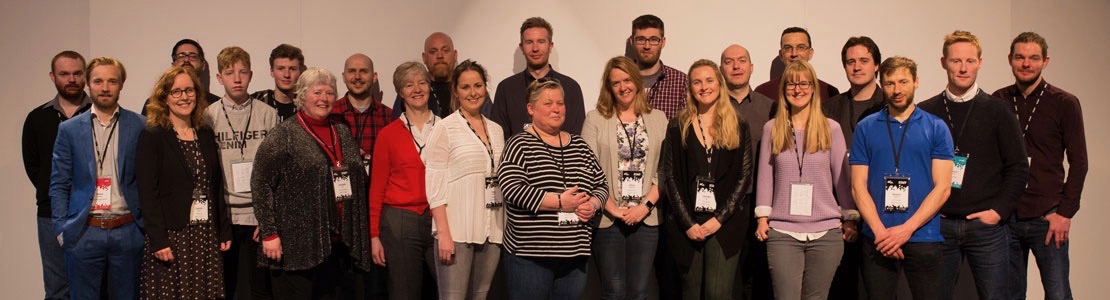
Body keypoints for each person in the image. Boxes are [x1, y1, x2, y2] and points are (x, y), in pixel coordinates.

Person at [918, 30, 1028, 300]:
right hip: (939, 225)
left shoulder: (999, 111)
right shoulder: (927, 112)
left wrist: (998, 211)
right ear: (943, 62)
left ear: (980, 62)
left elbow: (1018, 167)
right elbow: (918, 168)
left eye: (970, 61)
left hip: (987, 227)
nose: (963, 68)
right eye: (956, 61)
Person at [252, 67, 372, 300]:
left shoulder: (342, 131)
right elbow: (260, 182)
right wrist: (269, 233)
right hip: (298, 245)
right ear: (302, 96)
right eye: (317, 92)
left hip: (337, 244)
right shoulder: (285, 134)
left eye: (329, 93)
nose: (324, 99)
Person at [993, 32, 1087, 300]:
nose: (1026, 64)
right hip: (1006, 218)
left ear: (1045, 61)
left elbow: (1079, 162)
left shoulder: (1064, 102)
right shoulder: (998, 100)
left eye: (1033, 58)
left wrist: (1065, 213)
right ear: (1010, 60)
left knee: (1058, 294)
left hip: (1047, 216)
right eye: (1020, 57)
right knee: (1008, 295)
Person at [850, 56, 953, 299]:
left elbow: (943, 188)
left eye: (903, 82)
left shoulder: (936, 127)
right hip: (878, 237)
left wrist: (906, 230)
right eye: (890, 83)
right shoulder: (865, 127)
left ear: (916, 82)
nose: (897, 90)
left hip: (923, 236)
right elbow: (857, 187)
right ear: (881, 85)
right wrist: (880, 231)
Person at [753, 60, 858, 300]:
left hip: (826, 232)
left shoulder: (831, 128)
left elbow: (842, 178)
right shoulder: (773, 128)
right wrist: (762, 218)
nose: (797, 89)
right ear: (783, 90)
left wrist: (850, 218)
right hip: (783, 231)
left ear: (813, 88)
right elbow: (765, 177)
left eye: (803, 83)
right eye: (791, 84)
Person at [497, 79, 607, 300]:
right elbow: (512, 188)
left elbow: (601, 184)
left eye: (560, 103)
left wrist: (593, 205)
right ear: (531, 109)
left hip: (575, 256)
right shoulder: (518, 144)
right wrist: (558, 202)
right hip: (530, 257)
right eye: (548, 103)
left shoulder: (580, 145)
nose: (556, 108)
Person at [50, 56, 147, 300]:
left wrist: (143, 229)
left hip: (127, 230)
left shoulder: (140, 125)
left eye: (112, 81)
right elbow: (59, 183)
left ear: (121, 84)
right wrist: (62, 229)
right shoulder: (69, 129)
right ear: (87, 84)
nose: (105, 88)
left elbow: (148, 180)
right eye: (98, 81)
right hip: (85, 231)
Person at [659, 59, 753, 300]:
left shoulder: (738, 124)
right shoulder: (677, 125)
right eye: (697, 82)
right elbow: (669, 175)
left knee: (717, 293)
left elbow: (744, 176)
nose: (704, 87)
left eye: (709, 80)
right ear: (689, 88)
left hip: (725, 223)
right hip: (686, 224)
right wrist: (688, 222)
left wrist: (719, 219)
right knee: (690, 293)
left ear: (720, 84)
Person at [137, 66, 233, 299]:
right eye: (176, 92)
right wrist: (159, 240)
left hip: (205, 233)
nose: (184, 97)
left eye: (189, 90)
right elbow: (147, 193)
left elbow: (216, 185)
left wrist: (223, 230)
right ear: (164, 97)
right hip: (172, 235)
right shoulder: (153, 136)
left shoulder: (205, 133)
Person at [581, 56, 667, 300]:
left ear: (637, 81)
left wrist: (645, 206)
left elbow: (664, 169)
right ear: (608, 87)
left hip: (646, 218)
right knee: (614, 290)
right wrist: (613, 208)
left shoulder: (658, 119)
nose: (623, 87)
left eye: (627, 80)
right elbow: (588, 168)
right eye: (615, 82)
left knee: (639, 291)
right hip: (608, 218)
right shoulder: (595, 119)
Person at [203, 46, 280, 300]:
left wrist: (268, 216)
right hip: (225, 215)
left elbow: (277, 169)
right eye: (229, 73)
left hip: (258, 215)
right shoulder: (208, 117)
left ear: (251, 75)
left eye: (243, 72)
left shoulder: (267, 114)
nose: (237, 79)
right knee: (225, 285)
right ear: (218, 78)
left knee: (259, 287)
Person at [425, 60, 505, 300]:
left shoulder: (497, 129)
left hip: (492, 230)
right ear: (456, 92)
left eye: (478, 85)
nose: (473, 93)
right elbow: (435, 186)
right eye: (466, 87)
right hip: (457, 232)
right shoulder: (445, 128)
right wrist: (444, 234)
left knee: (480, 297)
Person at [370, 62, 441, 300]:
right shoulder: (388, 134)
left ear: (430, 87)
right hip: (399, 222)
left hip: (440, 219)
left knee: (450, 290)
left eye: (422, 82)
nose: (417, 89)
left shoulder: (446, 128)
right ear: (401, 92)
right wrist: (374, 235)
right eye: (409, 85)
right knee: (404, 293)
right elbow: (377, 188)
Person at [23, 50, 91, 300]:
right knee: (57, 288)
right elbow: (33, 166)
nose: (71, 79)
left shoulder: (100, 114)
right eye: (64, 74)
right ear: (53, 76)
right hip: (51, 214)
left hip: (94, 213)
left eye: (77, 73)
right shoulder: (37, 118)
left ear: (85, 76)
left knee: (96, 286)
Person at [822, 36, 885, 299]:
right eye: (850, 62)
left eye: (863, 61)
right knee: (840, 288)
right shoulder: (830, 107)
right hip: (838, 211)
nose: (857, 67)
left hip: (880, 210)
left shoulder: (890, 106)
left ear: (877, 66)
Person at [718, 43, 776, 300]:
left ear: (752, 67)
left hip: (761, 203)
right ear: (721, 69)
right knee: (727, 275)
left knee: (760, 274)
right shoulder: (711, 106)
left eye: (741, 60)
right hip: (723, 203)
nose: (736, 66)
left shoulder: (771, 107)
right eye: (729, 61)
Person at [491, 17, 587, 136]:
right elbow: (499, 138)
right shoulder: (506, 89)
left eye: (541, 41)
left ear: (550, 46)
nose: (535, 48)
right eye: (529, 42)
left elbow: (577, 138)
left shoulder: (571, 88)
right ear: (522, 47)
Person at [392, 32, 492, 119]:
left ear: (455, 55)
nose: (440, 56)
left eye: (445, 50)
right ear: (424, 58)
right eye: (433, 52)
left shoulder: (473, 89)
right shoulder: (413, 92)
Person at [332, 53, 396, 177]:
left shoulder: (390, 116)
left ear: (374, 76)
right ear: (344, 77)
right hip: (340, 191)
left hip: (377, 191)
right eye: (351, 71)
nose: (357, 77)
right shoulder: (331, 114)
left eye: (364, 71)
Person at [754, 27, 840, 103]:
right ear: (781, 55)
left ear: (810, 53)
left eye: (801, 47)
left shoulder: (829, 92)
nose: (794, 54)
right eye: (788, 48)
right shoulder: (763, 93)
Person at [628, 14, 688, 120]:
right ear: (632, 41)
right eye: (641, 39)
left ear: (663, 42)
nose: (647, 46)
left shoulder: (681, 82)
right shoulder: (619, 79)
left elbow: (687, 128)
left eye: (654, 40)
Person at [144, 39, 220, 115]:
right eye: (181, 56)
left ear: (203, 65)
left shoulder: (216, 105)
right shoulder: (154, 104)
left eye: (193, 56)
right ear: (173, 65)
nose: (186, 60)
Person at [251, 44, 305, 120]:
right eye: (280, 69)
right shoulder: (256, 100)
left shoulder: (306, 104)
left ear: (300, 72)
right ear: (272, 71)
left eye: (292, 69)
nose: (287, 75)